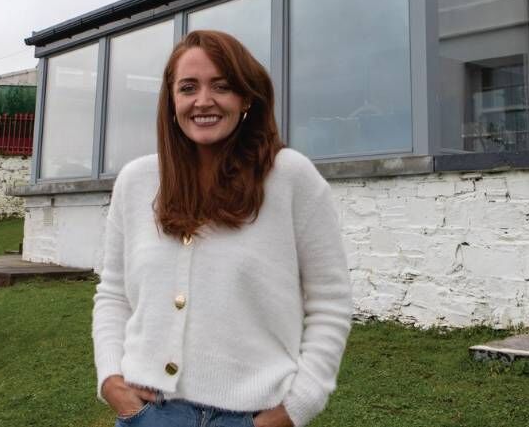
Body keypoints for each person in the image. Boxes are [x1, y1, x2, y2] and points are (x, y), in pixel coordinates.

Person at [93, 30, 352, 427]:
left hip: (251, 417)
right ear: (172, 100)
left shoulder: (291, 179)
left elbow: (330, 303)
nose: (203, 101)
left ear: (246, 97)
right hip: (149, 414)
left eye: (222, 86)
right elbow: (112, 293)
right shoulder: (136, 182)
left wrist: (294, 408)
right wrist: (112, 380)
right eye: (188, 87)